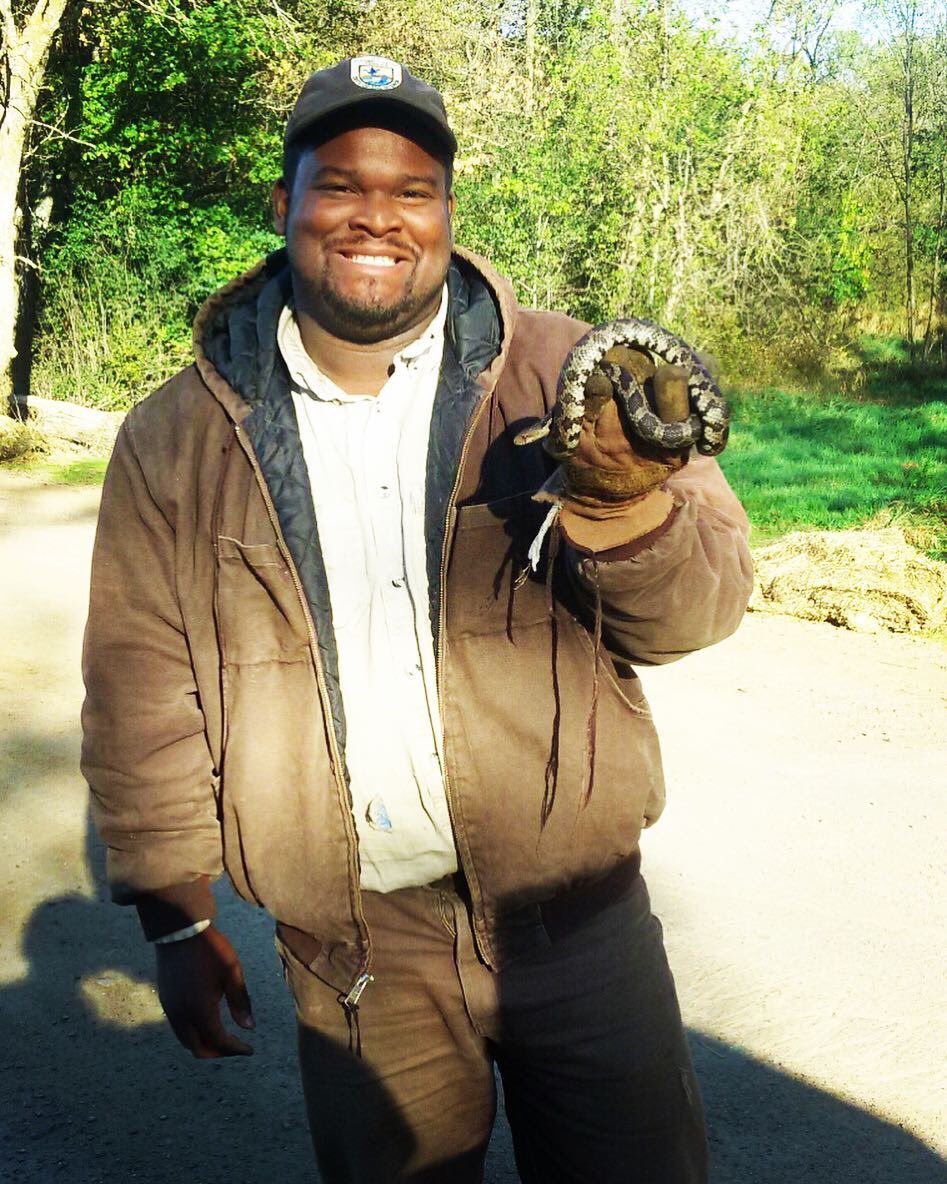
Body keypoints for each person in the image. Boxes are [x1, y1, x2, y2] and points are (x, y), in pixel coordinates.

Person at [82, 55, 753, 1184]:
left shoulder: (561, 371)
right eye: (340, 183)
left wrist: (620, 502)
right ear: (283, 202)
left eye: (412, 189)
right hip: (354, 955)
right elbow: (144, 682)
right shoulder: (177, 436)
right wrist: (172, 914)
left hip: (580, 929)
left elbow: (700, 615)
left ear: (446, 211)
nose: (376, 217)